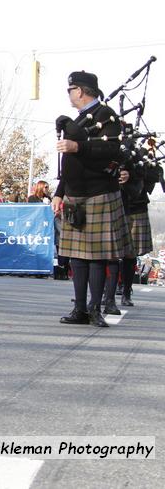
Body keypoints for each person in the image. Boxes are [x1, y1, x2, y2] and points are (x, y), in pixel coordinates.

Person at [52, 71, 130, 328]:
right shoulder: (80, 119)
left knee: (96, 257)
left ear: (81, 90)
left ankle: (95, 309)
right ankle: (80, 309)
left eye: (70, 89)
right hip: (75, 194)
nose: (69, 95)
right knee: (77, 256)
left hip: (98, 192)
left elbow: (112, 149)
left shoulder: (106, 116)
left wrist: (79, 146)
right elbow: (69, 161)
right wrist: (59, 193)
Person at [113, 149, 158, 310]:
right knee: (110, 253)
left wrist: (131, 174)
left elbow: (153, 176)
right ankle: (109, 292)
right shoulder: (109, 148)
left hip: (136, 207)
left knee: (130, 253)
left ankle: (126, 291)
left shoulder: (141, 153)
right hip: (114, 205)